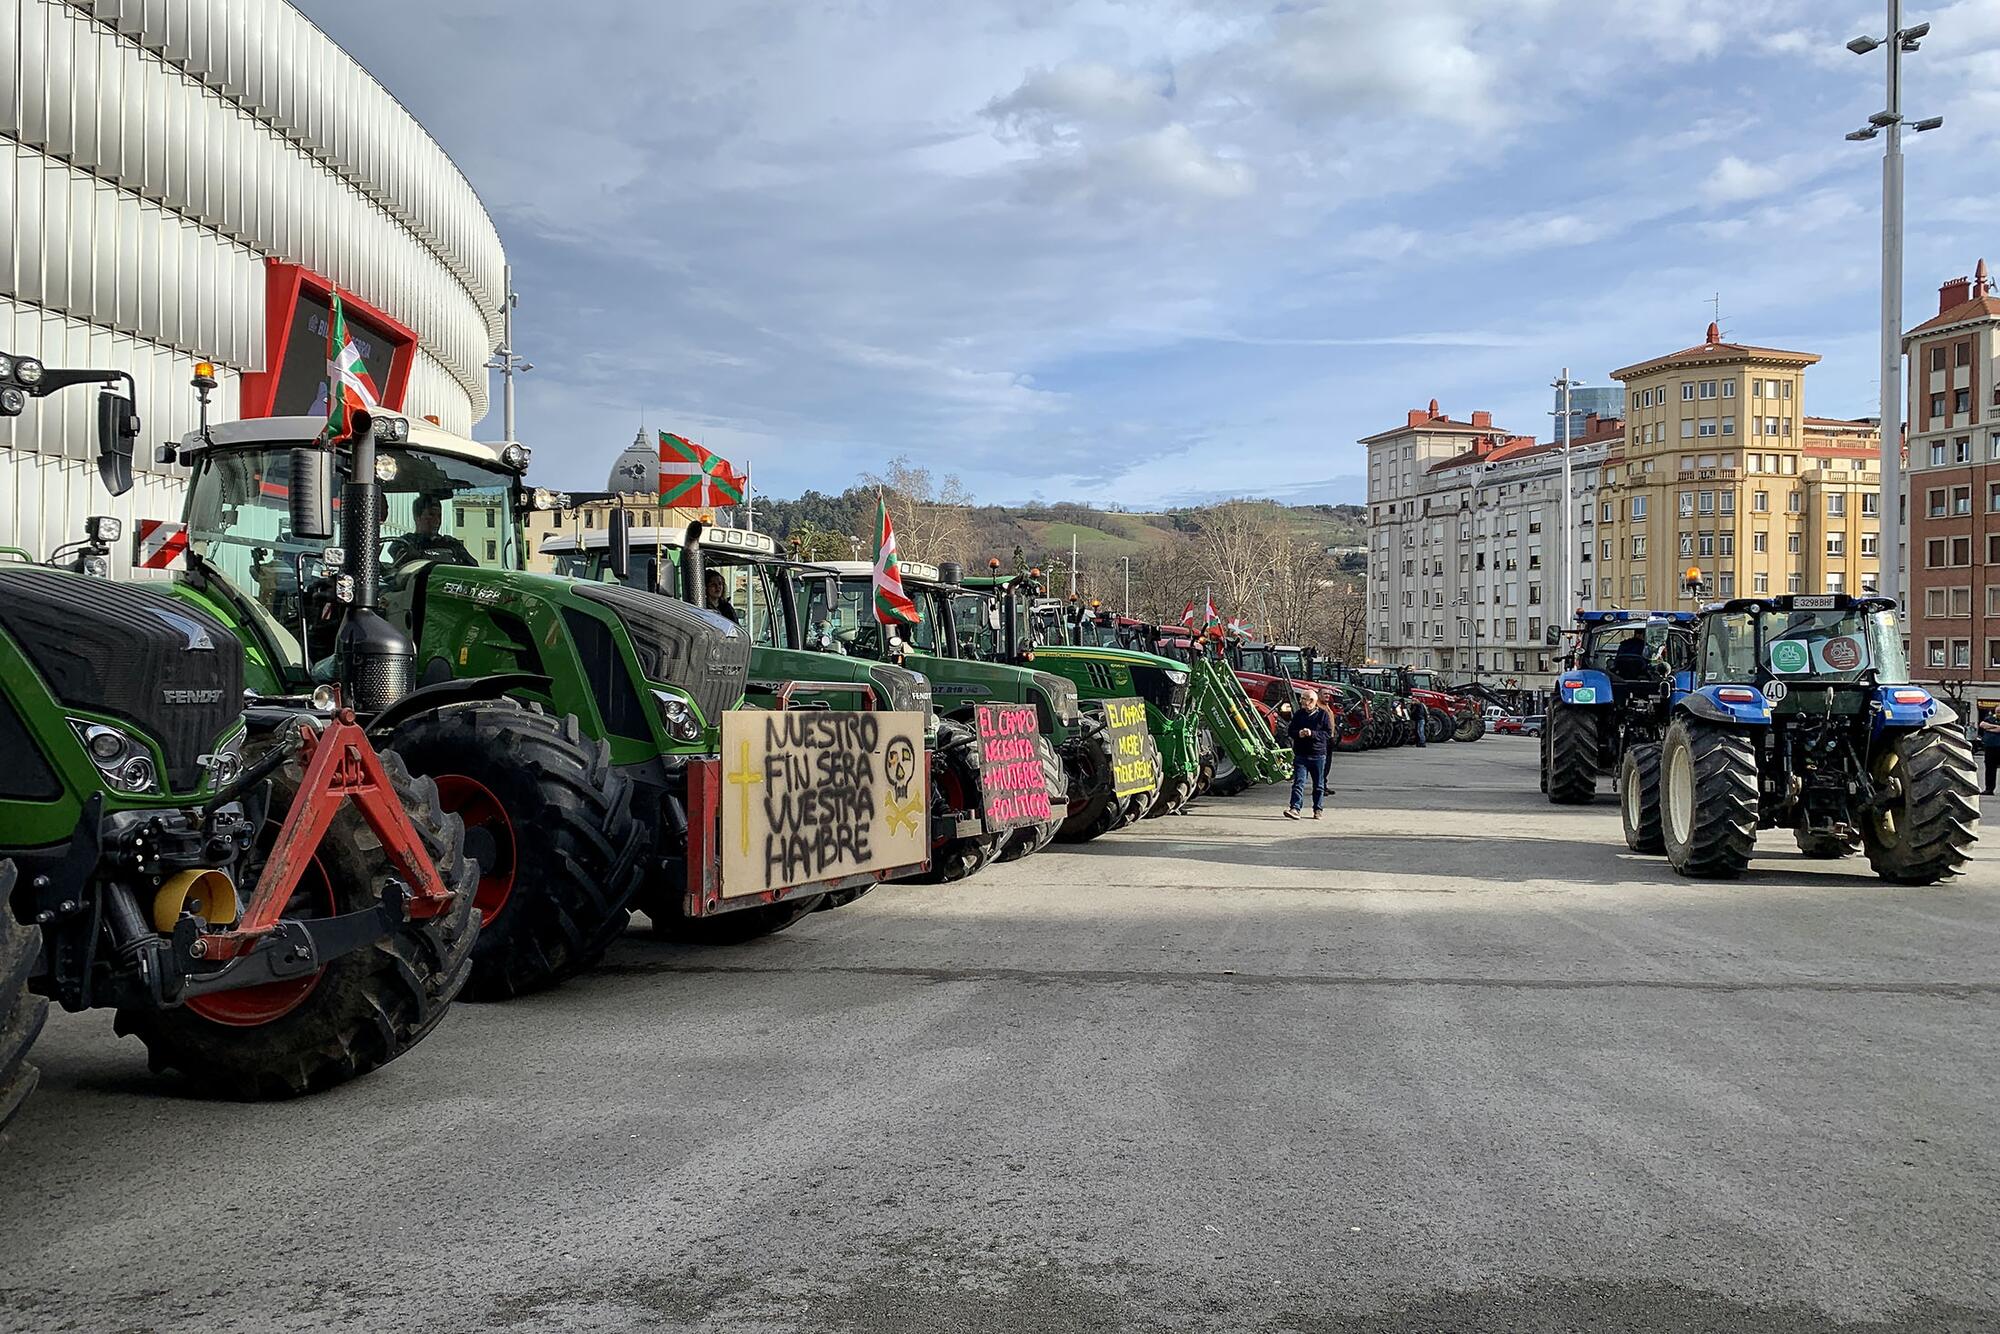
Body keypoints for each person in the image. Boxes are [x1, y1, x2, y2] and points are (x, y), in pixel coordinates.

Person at [385, 493, 474, 572]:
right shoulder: (404, 543)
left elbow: (473, 567)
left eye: (439, 516)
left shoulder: (451, 544)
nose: (437, 520)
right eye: (431, 515)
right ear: (417, 517)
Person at [1284, 687, 1333, 820]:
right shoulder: (1299, 714)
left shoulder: (1323, 715)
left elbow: (1328, 733)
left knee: (1318, 784)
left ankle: (1318, 809)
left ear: (1311, 701)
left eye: (1303, 698)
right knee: (1298, 782)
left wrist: (1312, 734)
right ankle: (1295, 808)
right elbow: (1290, 731)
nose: (1301, 701)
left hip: (1318, 755)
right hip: (1301, 755)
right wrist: (1298, 733)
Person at [1978, 705, 2000, 796]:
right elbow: (1982, 724)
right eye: (1997, 711)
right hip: (1990, 747)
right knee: (1990, 769)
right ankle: (1989, 789)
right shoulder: (1989, 718)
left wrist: (1989, 728)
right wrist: (1995, 727)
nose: (1998, 713)